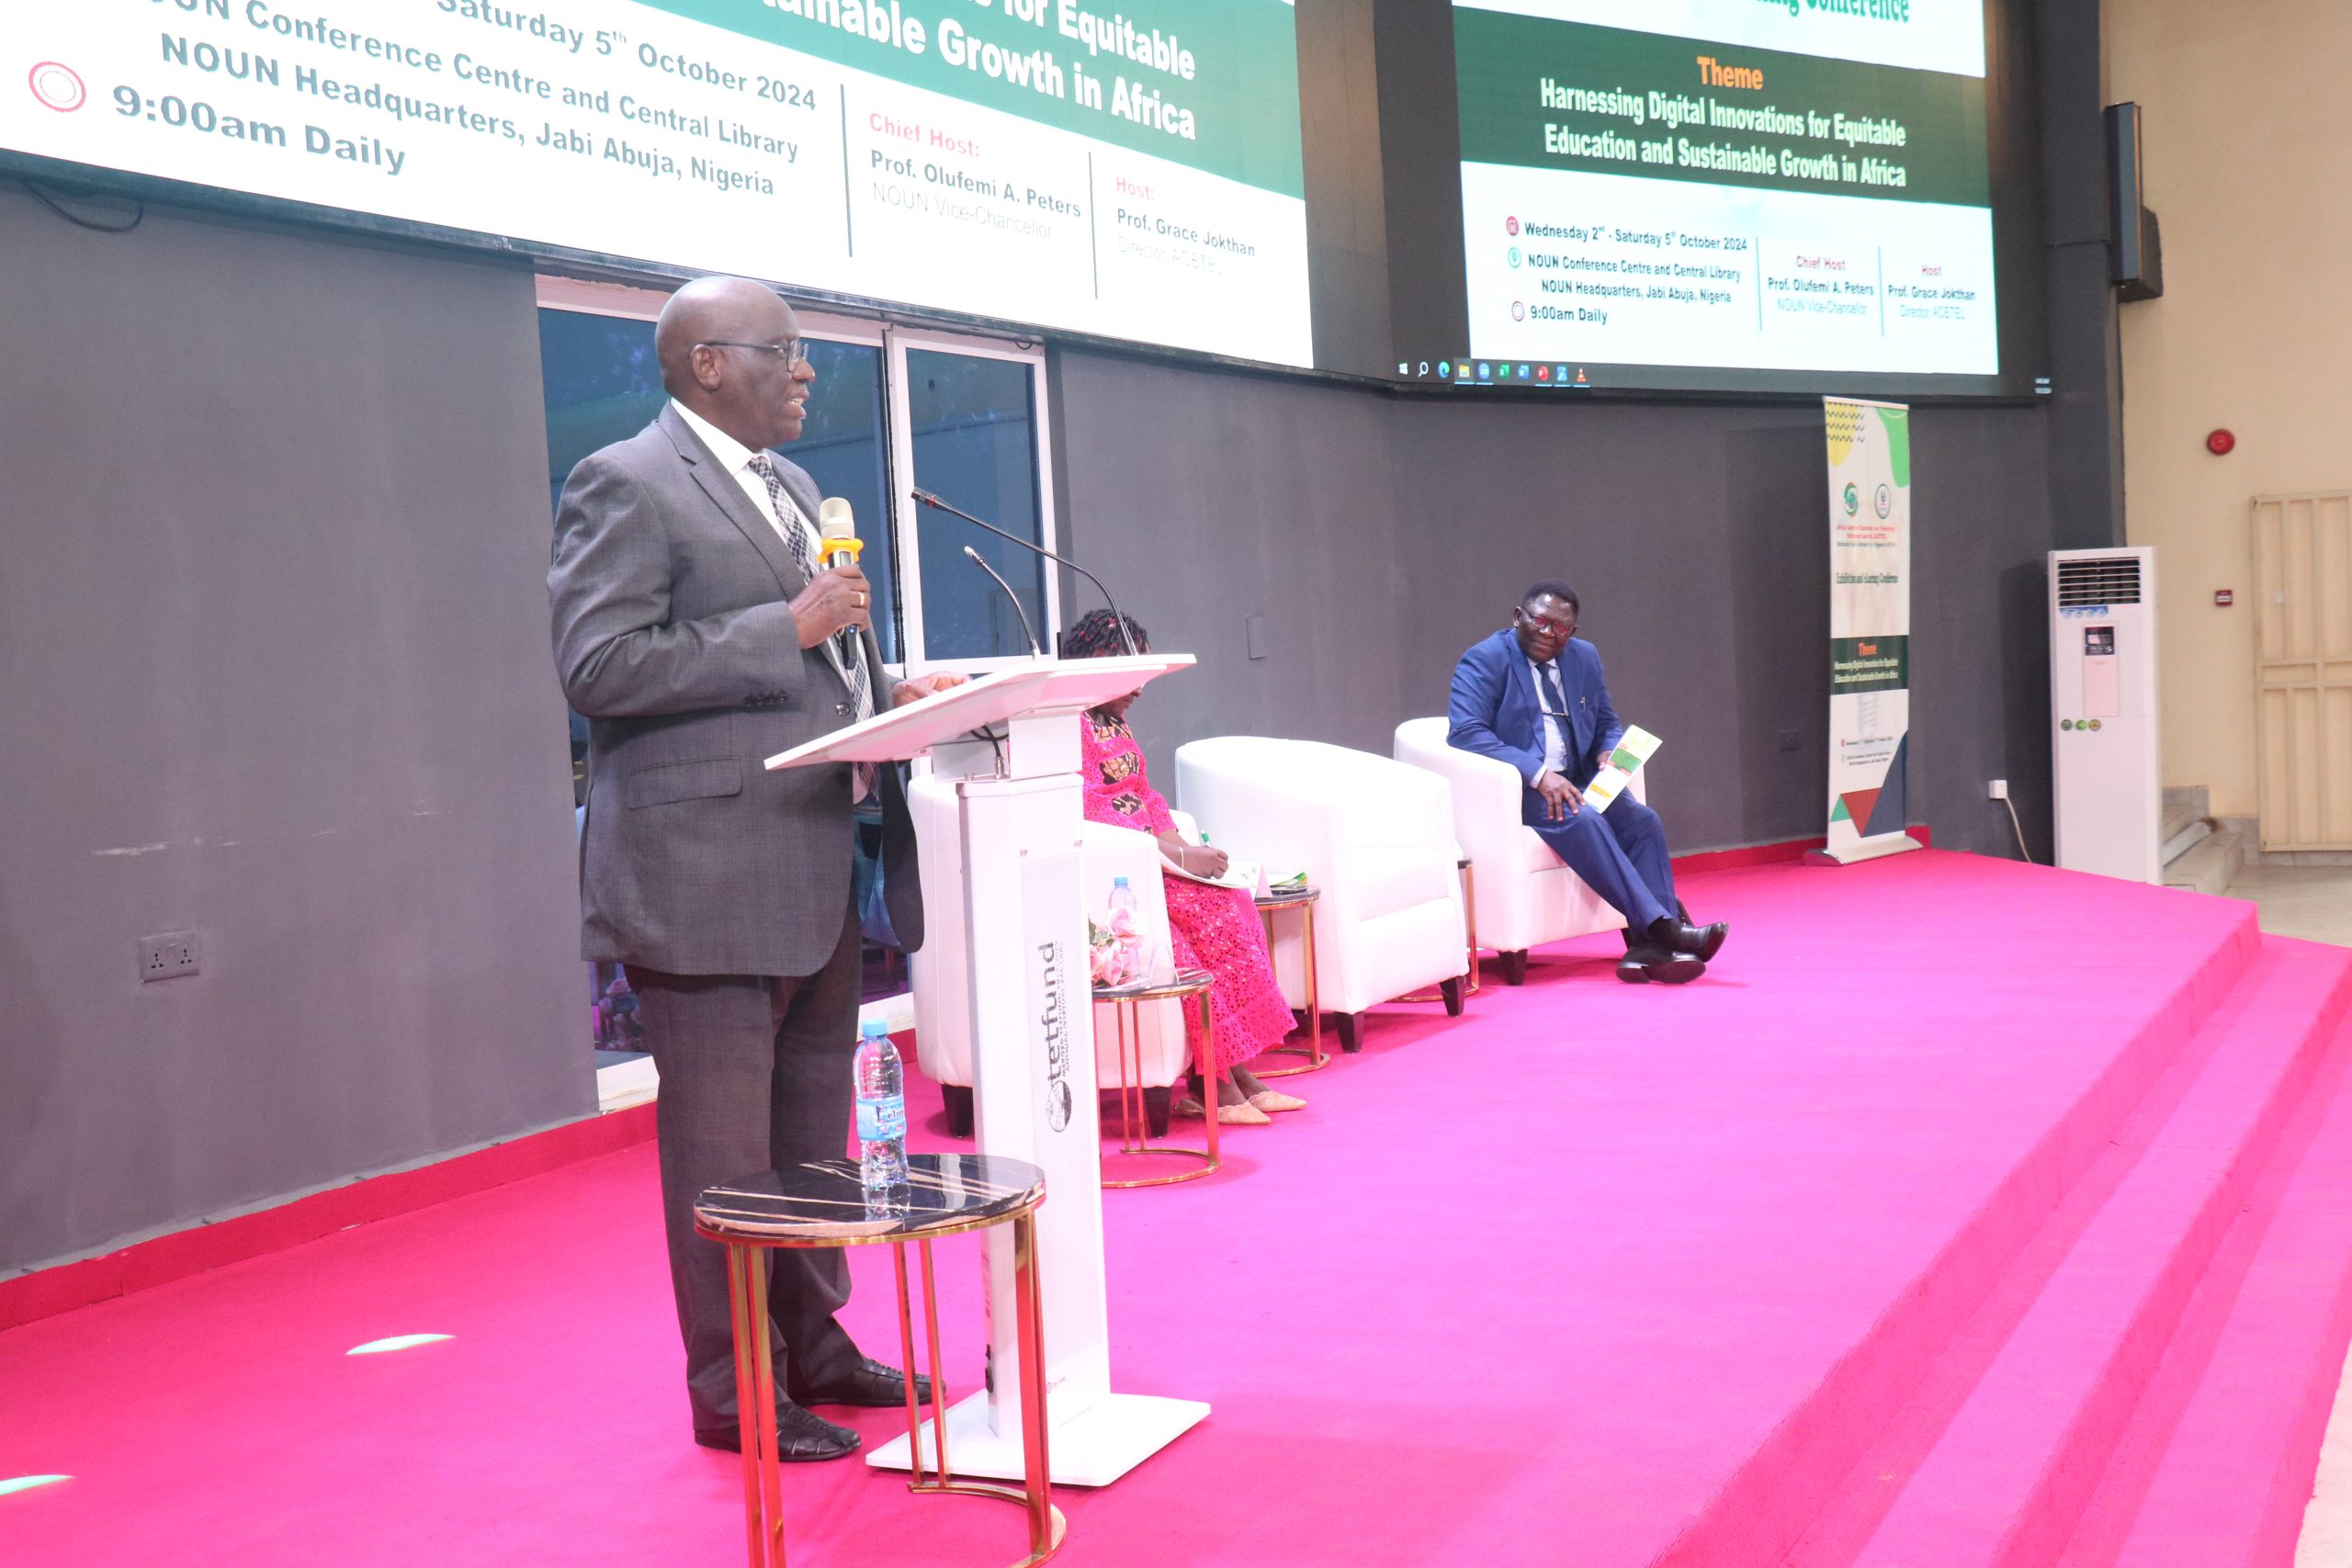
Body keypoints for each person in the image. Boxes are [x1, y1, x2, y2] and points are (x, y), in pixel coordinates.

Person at [548, 276, 963, 1459]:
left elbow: (822, 659)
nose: (805, 372)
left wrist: (890, 691)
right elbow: (598, 667)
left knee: (809, 1143)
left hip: (814, 864)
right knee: (725, 1157)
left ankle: (816, 1347)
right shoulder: (622, 481)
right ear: (706, 363)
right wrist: (782, 628)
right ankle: (735, 1390)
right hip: (701, 876)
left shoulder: (785, 485)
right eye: (783, 351)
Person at [1062, 609, 1305, 1124]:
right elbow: (1093, 812)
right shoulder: (1064, 723)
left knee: (1232, 900)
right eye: (1137, 676)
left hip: (1151, 862)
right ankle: (1212, 1082)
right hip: (1113, 876)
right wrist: (1177, 857)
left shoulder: (1111, 719)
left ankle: (1235, 1073)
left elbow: (1144, 797)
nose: (1142, 691)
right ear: (1102, 662)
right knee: (1206, 926)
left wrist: (1182, 851)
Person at [1447, 581, 1728, 984]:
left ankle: (1648, 948)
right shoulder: (1485, 659)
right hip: (1520, 788)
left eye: (1560, 628)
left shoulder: (1584, 658)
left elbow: (1606, 721)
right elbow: (1465, 731)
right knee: (1584, 819)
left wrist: (1607, 751)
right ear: (1518, 617)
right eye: (1540, 621)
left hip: (1580, 777)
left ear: (1572, 633)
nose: (1548, 633)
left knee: (1642, 821)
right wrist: (1540, 775)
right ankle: (1666, 929)